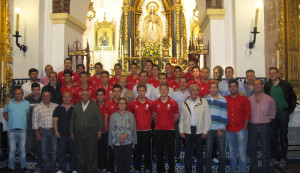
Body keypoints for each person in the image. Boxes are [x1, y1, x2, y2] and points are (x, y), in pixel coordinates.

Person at [264, 67, 297, 166]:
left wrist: (289, 111)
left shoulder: (286, 85)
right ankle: (275, 157)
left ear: (278, 74)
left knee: (283, 135)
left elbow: (293, 98)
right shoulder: (268, 85)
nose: (272, 75)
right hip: (272, 114)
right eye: (270, 73)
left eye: (274, 73)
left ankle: (283, 157)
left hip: (283, 112)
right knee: (273, 135)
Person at [179, 84, 211, 173]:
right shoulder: (185, 103)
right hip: (188, 132)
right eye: (193, 90)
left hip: (199, 132)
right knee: (188, 154)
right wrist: (181, 131)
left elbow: (208, 118)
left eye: (197, 90)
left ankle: (199, 171)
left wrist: (205, 131)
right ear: (190, 92)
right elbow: (182, 119)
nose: (195, 92)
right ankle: (188, 171)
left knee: (199, 154)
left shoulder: (204, 102)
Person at [70, 89, 103, 173]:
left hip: (91, 134)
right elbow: (72, 120)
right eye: (83, 95)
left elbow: (99, 119)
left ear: (89, 96)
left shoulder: (94, 106)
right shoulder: (77, 105)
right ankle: (81, 170)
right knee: (80, 153)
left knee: (91, 153)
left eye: (86, 95)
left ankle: (91, 170)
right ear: (81, 96)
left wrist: (99, 131)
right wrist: (71, 132)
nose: (84, 96)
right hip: (79, 134)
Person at [249, 79, 276, 173]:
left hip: (265, 126)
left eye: (259, 84)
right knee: (253, 150)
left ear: (262, 85)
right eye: (255, 84)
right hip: (252, 127)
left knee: (265, 150)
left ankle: (265, 170)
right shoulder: (250, 99)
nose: (257, 86)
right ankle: (253, 170)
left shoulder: (269, 99)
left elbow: (273, 114)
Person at [225, 79, 250, 173]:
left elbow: (248, 113)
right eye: (231, 86)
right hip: (229, 129)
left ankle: (243, 171)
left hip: (241, 129)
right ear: (229, 88)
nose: (232, 88)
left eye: (234, 86)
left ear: (237, 87)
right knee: (232, 153)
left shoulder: (243, 98)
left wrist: (245, 127)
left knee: (242, 153)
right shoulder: (226, 98)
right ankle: (233, 170)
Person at [152, 84, 179, 173]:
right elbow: (155, 116)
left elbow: (176, 117)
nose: (163, 91)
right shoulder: (155, 102)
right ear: (159, 91)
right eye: (161, 89)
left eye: (165, 89)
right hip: (159, 130)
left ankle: (172, 170)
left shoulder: (173, 102)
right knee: (159, 152)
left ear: (168, 91)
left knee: (170, 152)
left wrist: (169, 123)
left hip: (170, 131)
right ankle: (161, 170)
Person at [3, 88, 30, 172]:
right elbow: (5, 114)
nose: (18, 95)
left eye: (19, 93)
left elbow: (27, 114)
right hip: (11, 130)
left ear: (22, 94)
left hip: (22, 130)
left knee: (22, 149)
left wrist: (24, 122)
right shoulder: (8, 103)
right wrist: (10, 122)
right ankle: (11, 167)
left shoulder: (27, 103)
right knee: (12, 150)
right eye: (16, 93)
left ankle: (23, 166)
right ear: (14, 94)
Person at [32, 90, 59, 173]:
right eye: (44, 96)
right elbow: (34, 121)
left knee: (54, 150)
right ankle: (47, 167)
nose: (46, 97)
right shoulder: (37, 107)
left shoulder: (56, 106)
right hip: (42, 131)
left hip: (53, 131)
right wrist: (37, 133)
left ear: (50, 97)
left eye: (48, 96)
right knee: (43, 151)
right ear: (42, 96)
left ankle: (53, 167)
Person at [108, 98, 137, 173]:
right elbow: (111, 129)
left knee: (127, 161)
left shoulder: (130, 115)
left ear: (126, 105)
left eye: (123, 103)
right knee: (118, 162)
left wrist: (125, 135)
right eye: (120, 103)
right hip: (116, 141)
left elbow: (132, 128)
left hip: (128, 141)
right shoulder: (113, 116)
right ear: (117, 105)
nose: (122, 105)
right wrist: (119, 136)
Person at [204, 82, 228, 173]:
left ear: (218, 89)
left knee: (222, 153)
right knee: (208, 152)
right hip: (209, 129)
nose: (213, 89)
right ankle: (208, 171)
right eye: (212, 88)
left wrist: (221, 128)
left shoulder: (223, 100)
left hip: (219, 130)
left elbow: (224, 114)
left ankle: (221, 171)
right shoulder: (205, 99)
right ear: (209, 89)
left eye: (215, 88)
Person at [130, 84, 154, 173]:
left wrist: (147, 122)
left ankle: (148, 167)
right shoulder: (132, 103)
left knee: (147, 150)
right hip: (136, 131)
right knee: (136, 151)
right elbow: (130, 116)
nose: (141, 92)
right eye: (139, 91)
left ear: (146, 92)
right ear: (137, 92)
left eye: (143, 90)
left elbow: (153, 115)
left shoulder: (150, 103)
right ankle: (137, 168)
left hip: (147, 130)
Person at [53, 91, 77, 173]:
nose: (66, 98)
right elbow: (55, 121)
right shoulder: (58, 108)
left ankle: (74, 169)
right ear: (62, 98)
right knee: (61, 153)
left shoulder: (75, 108)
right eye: (65, 97)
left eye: (68, 97)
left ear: (71, 98)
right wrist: (56, 132)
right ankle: (61, 169)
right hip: (61, 135)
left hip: (72, 135)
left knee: (73, 153)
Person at [171, 77, 190, 160]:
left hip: (187, 120)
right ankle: (176, 156)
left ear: (187, 83)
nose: (182, 84)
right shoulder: (174, 94)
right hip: (177, 119)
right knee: (177, 139)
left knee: (187, 139)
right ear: (178, 83)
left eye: (184, 82)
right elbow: (172, 106)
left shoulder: (190, 93)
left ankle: (188, 156)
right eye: (181, 82)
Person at [105, 84, 123, 173]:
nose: (116, 93)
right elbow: (106, 118)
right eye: (115, 91)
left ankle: (121, 169)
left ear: (121, 92)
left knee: (121, 151)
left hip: (122, 132)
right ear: (112, 92)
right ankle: (110, 169)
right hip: (111, 131)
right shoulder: (108, 103)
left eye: (118, 91)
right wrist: (106, 129)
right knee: (111, 151)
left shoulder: (124, 103)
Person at [25, 83, 42, 168]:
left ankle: (37, 154)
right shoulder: (27, 100)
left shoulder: (43, 99)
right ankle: (30, 153)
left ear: (40, 90)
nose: (36, 92)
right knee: (30, 139)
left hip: (40, 123)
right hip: (30, 123)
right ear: (31, 91)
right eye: (34, 90)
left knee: (38, 140)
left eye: (37, 90)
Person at [96, 89, 109, 172]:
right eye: (98, 95)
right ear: (96, 96)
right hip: (96, 132)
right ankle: (98, 167)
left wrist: (106, 131)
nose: (100, 96)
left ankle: (104, 167)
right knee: (97, 151)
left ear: (104, 96)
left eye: (102, 95)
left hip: (105, 132)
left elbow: (106, 118)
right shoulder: (93, 106)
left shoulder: (107, 105)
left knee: (105, 151)